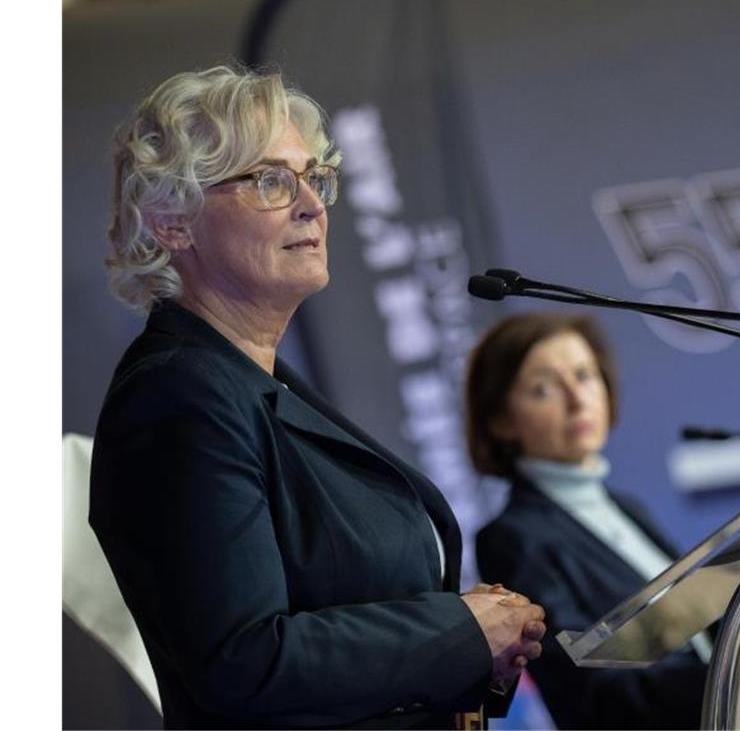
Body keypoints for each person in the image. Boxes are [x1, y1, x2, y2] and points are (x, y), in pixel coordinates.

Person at [88, 65, 545, 730]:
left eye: (315, 178)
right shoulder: (177, 397)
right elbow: (244, 661)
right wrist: (458, 630)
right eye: (271, 181)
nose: (312, 205)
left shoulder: (251, 383)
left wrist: (480, 649)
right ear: (172, 223)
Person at [466, 313, 740, 730]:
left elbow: (701, 632)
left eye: (584, 375)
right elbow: (597, 696)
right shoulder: (512, 539)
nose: (577, 398)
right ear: (501, 422)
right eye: (543, 388)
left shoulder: (626, 507)